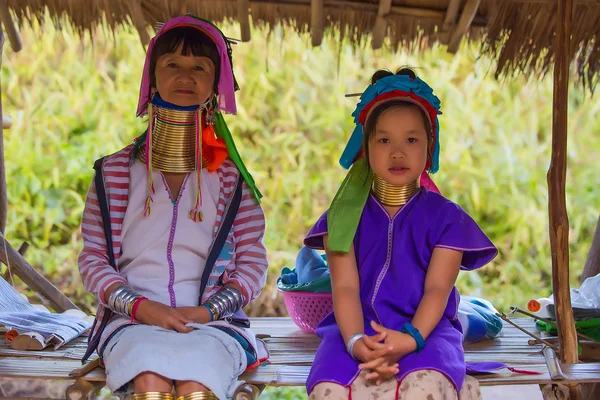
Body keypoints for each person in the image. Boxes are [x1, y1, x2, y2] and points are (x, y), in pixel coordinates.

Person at [77, 15, 268, 400]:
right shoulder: (113, 174)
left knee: (198, 387)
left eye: (200, 67)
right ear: (152, 80)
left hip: (215, 323)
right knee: (150, 383)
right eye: (172, 65)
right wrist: (142, 308)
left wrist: (205, 313)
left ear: (216, 84)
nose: (186, 75)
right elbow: (93, 261)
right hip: (131, 322)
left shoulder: (232, 182)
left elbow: (252, 265)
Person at [304, 67, 498, 399]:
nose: (398, 152)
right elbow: (346, 288)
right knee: (330, 390)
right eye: (384, 140)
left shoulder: (448, 219)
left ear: (429, 145)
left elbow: (437, 290)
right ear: (365, 147)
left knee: (424, 389)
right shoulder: (342, 216)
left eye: (411, 139)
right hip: (354, 331)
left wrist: (409, 339)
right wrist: (355, 343)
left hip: (428, 333)